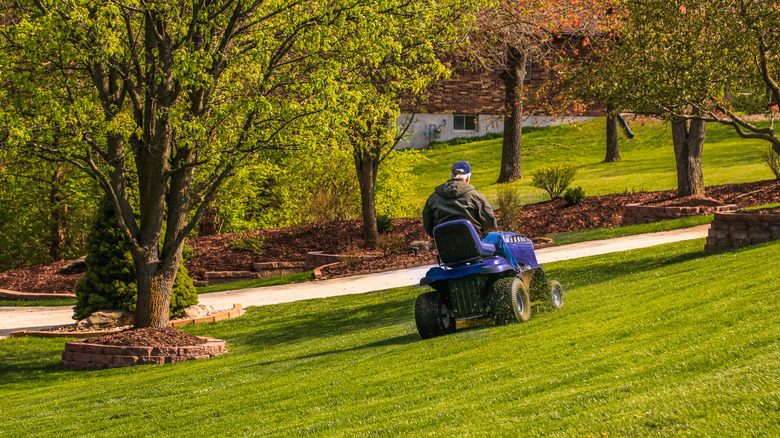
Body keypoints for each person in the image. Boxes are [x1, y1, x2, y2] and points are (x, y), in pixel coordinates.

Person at [422, 161, 519, 268]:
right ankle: (516, 270)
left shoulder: (433, 198)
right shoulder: (475, 196)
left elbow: (428, 226)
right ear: (468, 178)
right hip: (473, 244)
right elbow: (491, 224)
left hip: (447, 248)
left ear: (451, 176)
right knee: (498, 239)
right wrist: (481, 231)